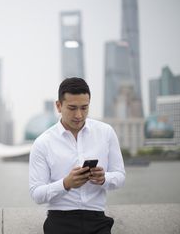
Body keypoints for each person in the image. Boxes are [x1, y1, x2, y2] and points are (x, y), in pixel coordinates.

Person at [29, 77, 125, 234]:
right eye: (72, 108)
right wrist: (66, 183)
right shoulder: (43, 143)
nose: (79, 115)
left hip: (98, 221)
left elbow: (120, 177)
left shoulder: (106, 133)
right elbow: (36, 194)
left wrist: (103, 178)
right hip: (59, 222)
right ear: (58, 106)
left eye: (84, 108)